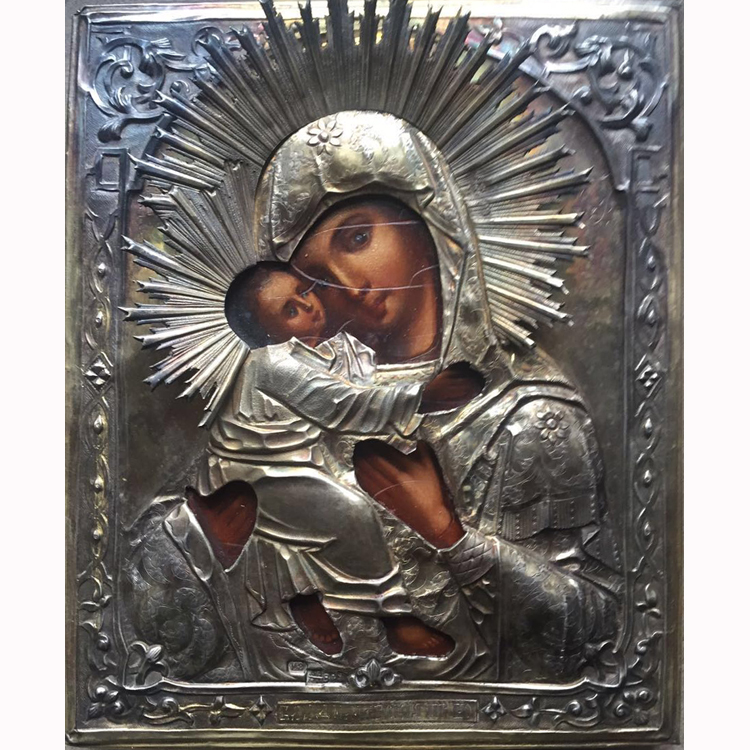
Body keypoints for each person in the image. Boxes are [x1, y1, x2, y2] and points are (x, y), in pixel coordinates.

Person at [122, 261, 460, 683]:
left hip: (297, 462)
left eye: (304, 291)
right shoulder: (271, 363)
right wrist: (421, 397)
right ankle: (395, 618)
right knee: (352, 512)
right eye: (290, 310)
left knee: (339, 491)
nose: (309, 304)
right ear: (266, 334)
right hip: (250, 474)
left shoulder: (332, 350)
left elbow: (359, 385)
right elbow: (341, 405)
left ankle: (303, 600)